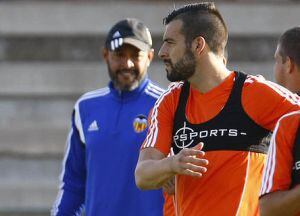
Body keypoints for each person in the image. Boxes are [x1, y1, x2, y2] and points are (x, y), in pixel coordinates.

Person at [134, 3, 300, 216]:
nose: (162, 52)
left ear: (198, 45)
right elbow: (142, 174)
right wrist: (172, 164)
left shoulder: (256, 93)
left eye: (170, 43)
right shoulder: (170, 101)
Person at [51, 18, 166, 216]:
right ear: (105, 54)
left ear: (149, 56)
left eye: (135, 55)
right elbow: (73, 185)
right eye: (119, 55)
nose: (127, 63)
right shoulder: (86, 107)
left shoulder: (166, 104)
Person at [259, 27, 300, 216]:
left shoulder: (290, 121)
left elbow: (268, 209)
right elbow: (270, 208)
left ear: (288, 64)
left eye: (277, 60)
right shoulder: (289, 122)